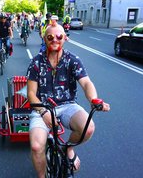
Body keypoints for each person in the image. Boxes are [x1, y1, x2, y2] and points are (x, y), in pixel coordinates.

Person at [26, 24, 110, 178]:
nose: (55, 40)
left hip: (67, 105)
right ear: (44, 39)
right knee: (37, 147)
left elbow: (86, 83)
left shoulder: (73, 60)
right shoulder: (36, 62)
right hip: (41, 108)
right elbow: (31, 94)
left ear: (65, 38)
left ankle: (67, 149)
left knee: (88, 127)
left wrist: (94, 99)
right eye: (50, 37)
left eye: (59, 36)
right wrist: (43, 112)